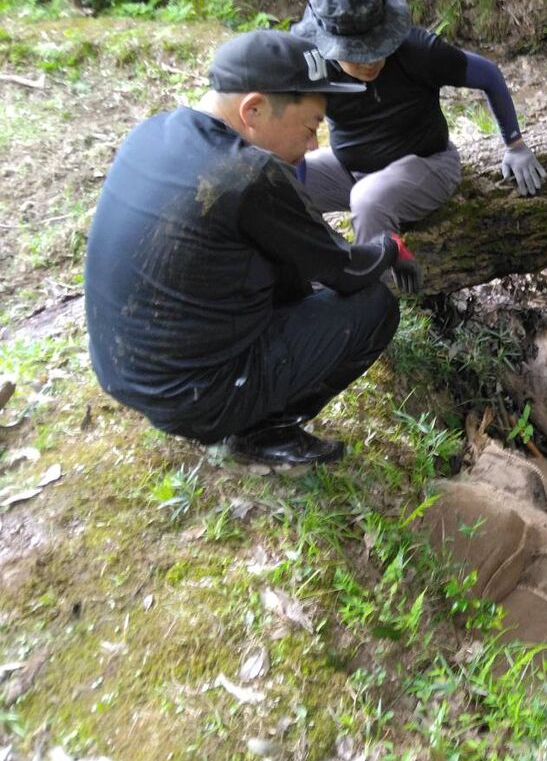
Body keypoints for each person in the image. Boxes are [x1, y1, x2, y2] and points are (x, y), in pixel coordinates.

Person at [85, 30, 419, 465]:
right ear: (253, 110)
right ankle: (262, 430)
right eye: (311, 127)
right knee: (374, 307)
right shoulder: (248, 172)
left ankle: (240, 408)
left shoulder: (153, 131)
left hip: (126, 373)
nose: (313, 146)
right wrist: (391, 247)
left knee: (279, 259)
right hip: (196, 396)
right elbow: (347, 271)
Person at [290, 0, 547, 262]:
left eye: (377, 49)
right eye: (357, 55)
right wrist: (296, 185)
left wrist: (515, 145)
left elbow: (488, 74)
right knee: (278, 183)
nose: (370, 62)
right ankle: (309, 273)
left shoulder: (418, 52)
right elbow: (291, 132)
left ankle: (376, 285)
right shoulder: (315, 68)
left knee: (368, 199)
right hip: (349, 171)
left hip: (429, 166)